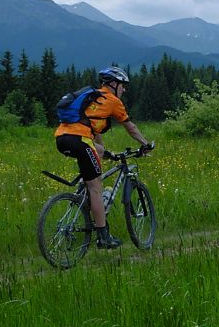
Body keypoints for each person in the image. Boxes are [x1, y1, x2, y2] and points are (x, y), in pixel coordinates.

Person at [54, 66, 154, 249]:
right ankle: (103, 237)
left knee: (96, 155)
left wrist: (105, 151)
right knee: (96, 187)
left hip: (62, 139)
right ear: (114, 84)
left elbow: (94, 130)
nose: (124, 89)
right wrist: (145, 144)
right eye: (123, 85)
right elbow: (130, 128)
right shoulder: (112, 101)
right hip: (80, 140)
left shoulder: (93, 98)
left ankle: (84, 198)